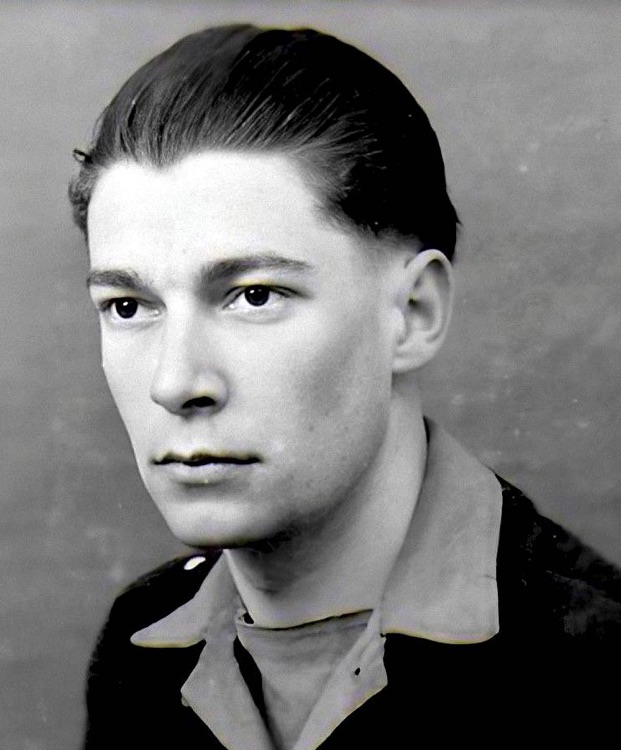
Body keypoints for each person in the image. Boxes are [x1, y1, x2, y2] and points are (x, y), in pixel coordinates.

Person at [70, 24, 620, 750]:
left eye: (254, 295)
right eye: (128, 307)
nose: (175, 382)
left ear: (413, 313)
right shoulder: (138, 648)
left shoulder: (595, 669)